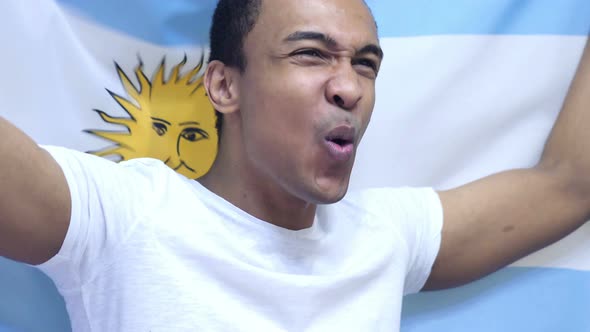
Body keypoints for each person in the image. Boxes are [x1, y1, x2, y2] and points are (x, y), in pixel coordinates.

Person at [0, 0, 588, 330]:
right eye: (311, 54)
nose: (349, 87)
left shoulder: (384, 236)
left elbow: (570, 182)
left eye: (366, 64)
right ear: (225, 86)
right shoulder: (125, 215)